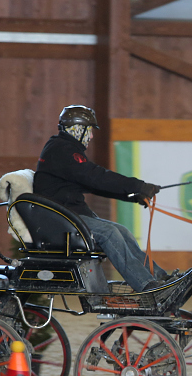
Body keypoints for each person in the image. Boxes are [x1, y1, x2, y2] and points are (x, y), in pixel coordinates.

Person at [33, 105, 171, 292]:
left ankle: (159, 277)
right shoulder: (63, 150)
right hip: (60, 220)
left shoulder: (62, 148)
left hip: (66, 216)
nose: (90, 137)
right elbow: (96, 177)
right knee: (109, 233)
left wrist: (133, 195)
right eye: (89, 131)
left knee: (120, 230)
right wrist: (138, 185)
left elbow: (93, 184)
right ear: (78, 129)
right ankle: (147, 285)